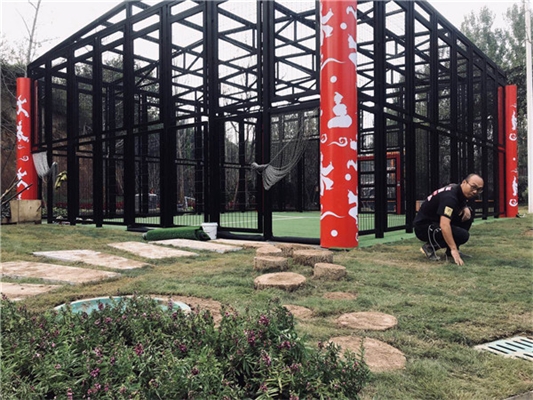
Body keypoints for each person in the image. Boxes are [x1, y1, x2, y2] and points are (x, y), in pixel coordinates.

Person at [413, 173, 484, 266]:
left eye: (479, 189)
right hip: (424, 227)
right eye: (473, 187)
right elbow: (444, 225)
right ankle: (430, 247)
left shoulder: (456, 189)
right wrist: (454, 249)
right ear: (464, 182)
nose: (475, 192)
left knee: (467, 216)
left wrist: (464, 206)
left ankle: (449, 251)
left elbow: (455, 190)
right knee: (463, 235)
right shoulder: (449, 198)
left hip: (435, 221)